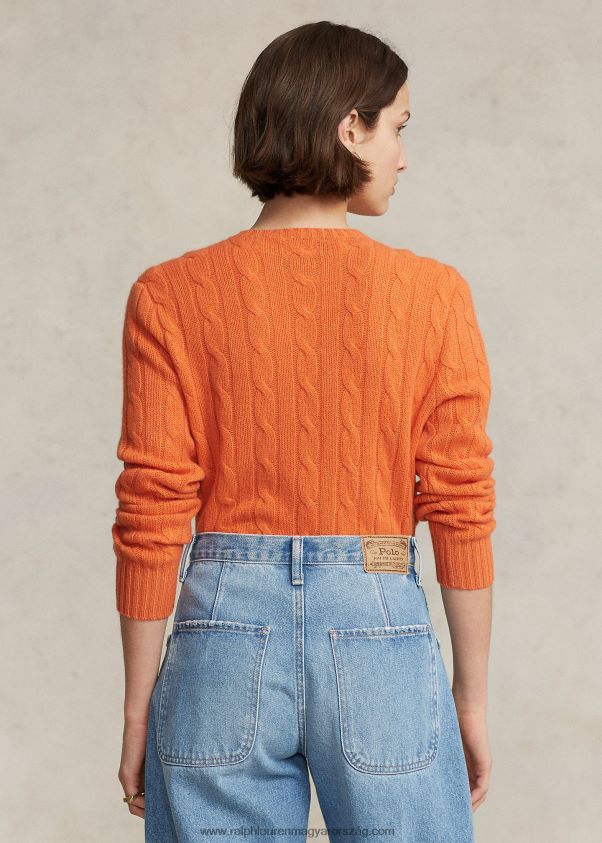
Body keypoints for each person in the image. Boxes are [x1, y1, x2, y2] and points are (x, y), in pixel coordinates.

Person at [115, 20, 495, 842]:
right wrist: (470, 698)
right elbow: (461, 503)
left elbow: (151, 509)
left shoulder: (169, 295)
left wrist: (140, 709)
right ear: (349, 127)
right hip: (379, 609)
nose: (402, 156)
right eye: (396, 127)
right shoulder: (433, 296)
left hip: (220, 630)